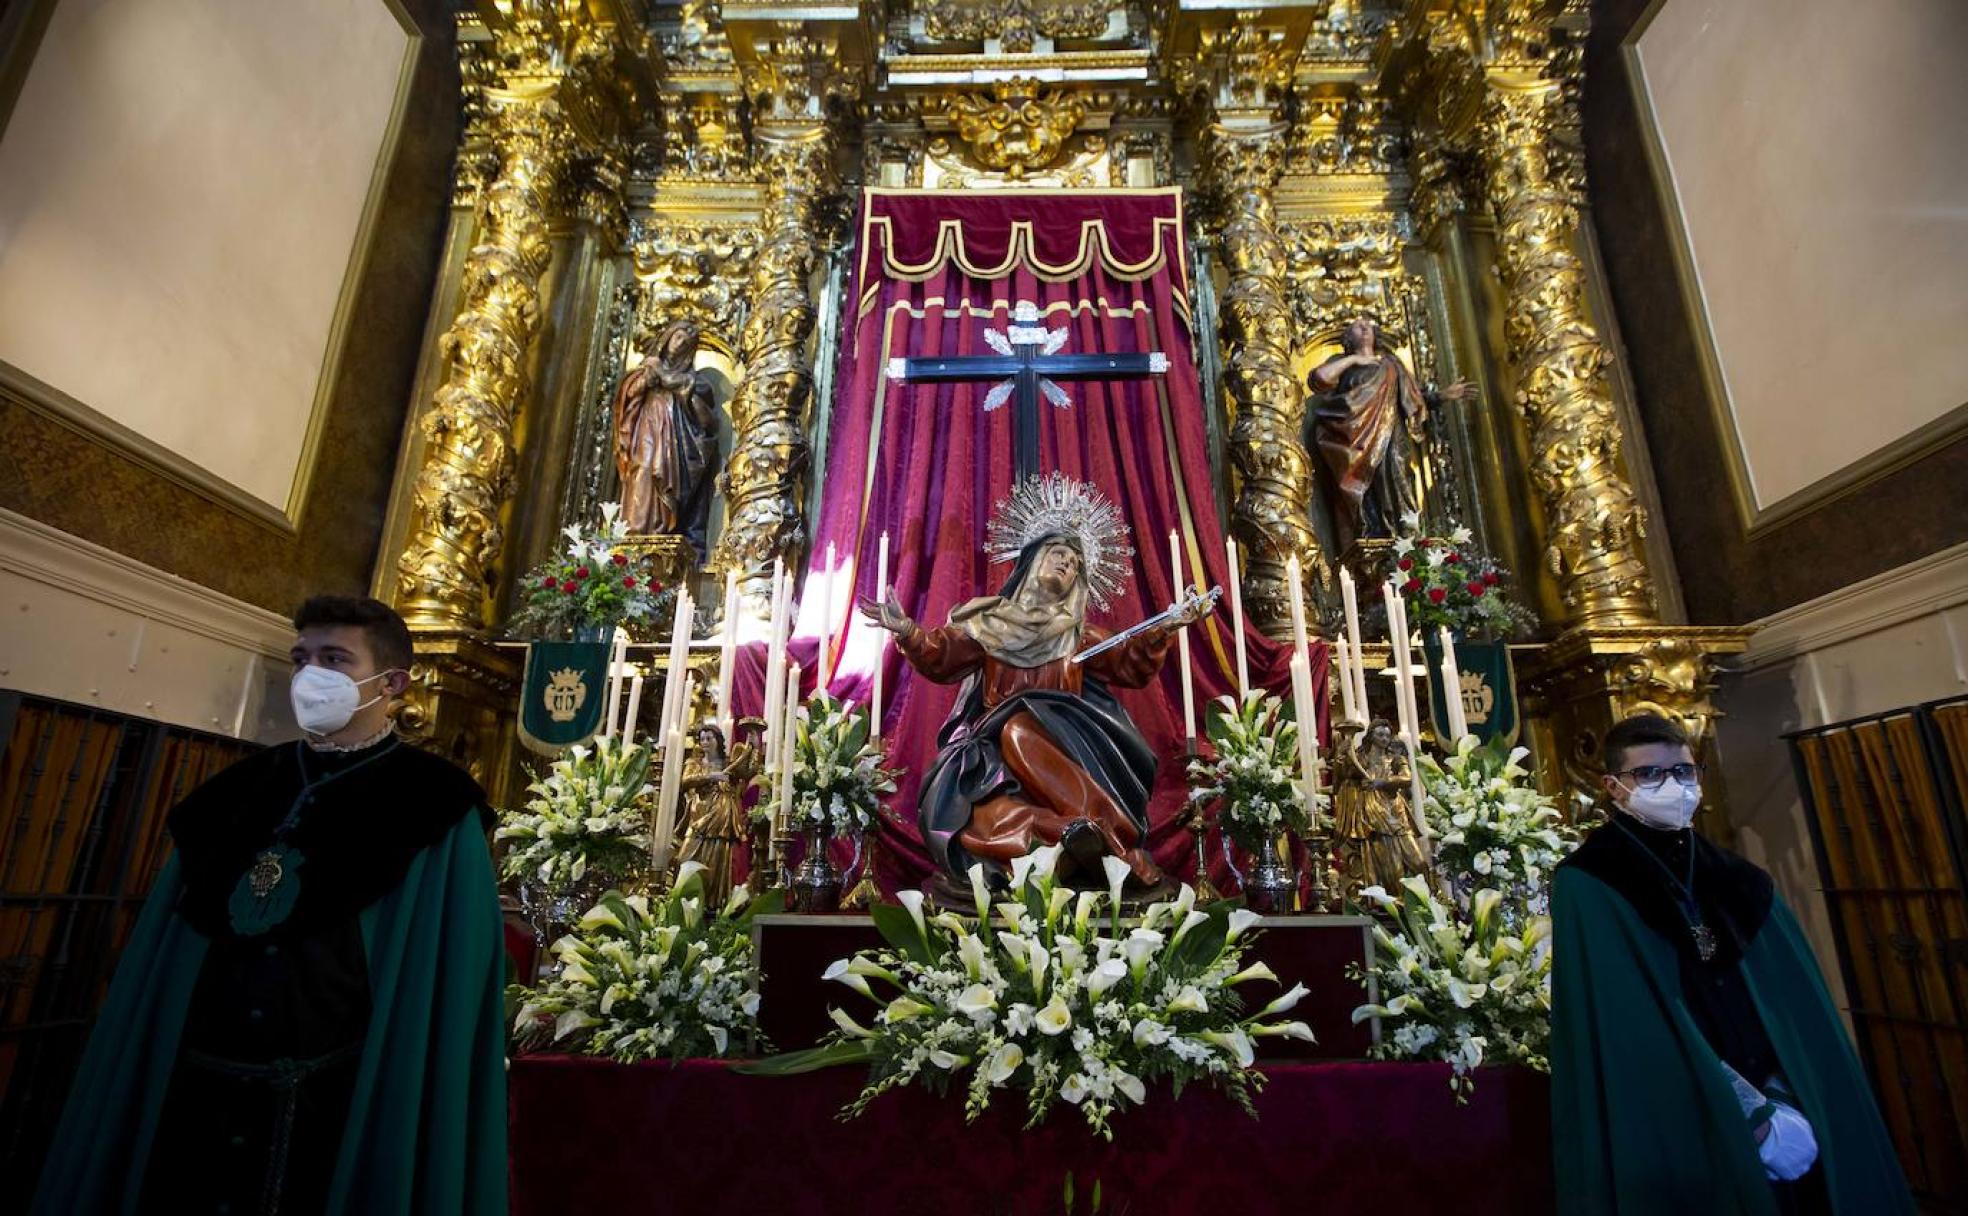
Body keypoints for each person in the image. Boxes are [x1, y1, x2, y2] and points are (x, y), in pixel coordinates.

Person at [33, 596, 508, 1216]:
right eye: (302, 658)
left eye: (335, 659)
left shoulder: (435, 803)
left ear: (392, 683)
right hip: (198, 1078)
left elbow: (444, 978)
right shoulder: (239, 790)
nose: (312, 675)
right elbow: (173, 945)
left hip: (335, 1092)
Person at [1550, 713, 1911, 1215]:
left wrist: (1785, 1095)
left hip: (1782, 1098)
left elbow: (1792, 1007)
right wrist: (1753, 1114)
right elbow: (1632, 1023)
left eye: (1683, 772)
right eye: (1650, 774)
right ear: (1614, 787)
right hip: (1687, 1107)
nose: (1672, 785)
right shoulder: (1589, 883)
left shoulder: (1740, 878)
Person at [859, 475, 1205, 891]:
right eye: (1059, 553)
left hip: (1065, 743)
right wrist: (908, 631)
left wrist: (1165, 627)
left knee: (1019, 728)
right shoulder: (987, 621)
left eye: (1075, 564)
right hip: (991, 752)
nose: (1068, 564)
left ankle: (1102, 834)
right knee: (985, 818)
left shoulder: (1078, 635)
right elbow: (941, 654)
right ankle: (1069, 840)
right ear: (1033, 559)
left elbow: (1131, 664)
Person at [1306, 317, 1471, 546]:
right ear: (1348, 338)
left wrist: (1443, 395)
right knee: (1367, 496)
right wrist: (1355, 359)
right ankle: (1372, 539)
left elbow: (1412, 400)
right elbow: (1320, 379)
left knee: (1398, 484)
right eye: (1356, 326)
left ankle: (1406, 543)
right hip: (1354, 443)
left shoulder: (1391, 365)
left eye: (1368, 325)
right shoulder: (1342, 363)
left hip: (1392, 440)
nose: (1364, 328)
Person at [612, 320, 721, 556]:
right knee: (642, 473)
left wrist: (664, 376)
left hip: (672, 443)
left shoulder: (693, 382)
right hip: (646, 432)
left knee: (663, 482)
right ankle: (635, 535)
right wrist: (646, 380)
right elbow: (628, 395)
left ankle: (658, 531)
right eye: (678, 337)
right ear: (667, 337)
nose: (680, 343)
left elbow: (707, 422)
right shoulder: (647, 368)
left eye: (686, 342)